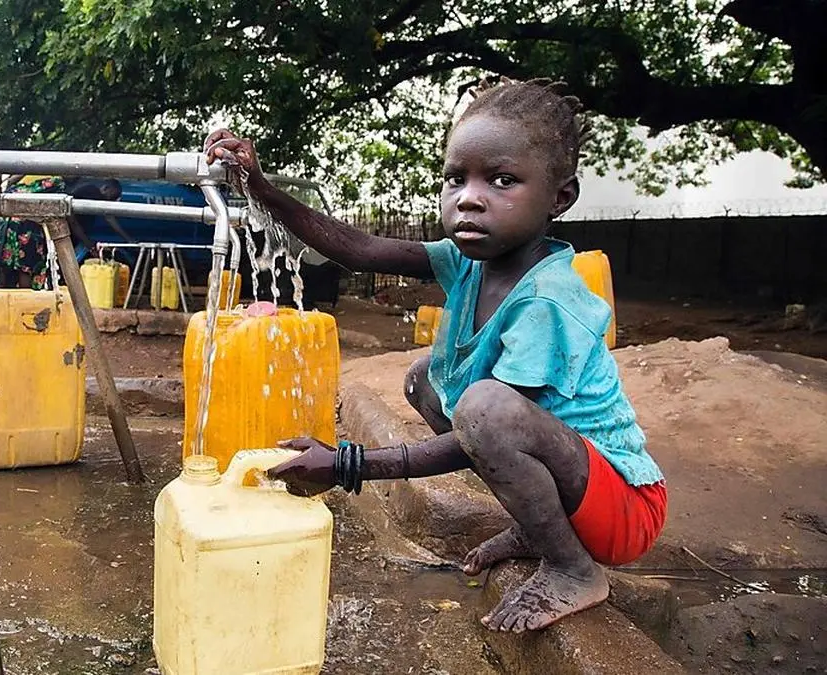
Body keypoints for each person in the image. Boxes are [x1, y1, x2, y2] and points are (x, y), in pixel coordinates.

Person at [204, 77, 667, 634]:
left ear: (560, 198)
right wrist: (261, 188)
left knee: (484, 409)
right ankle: (539, 528)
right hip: (575, 487)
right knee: (427, 378)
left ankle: (573, 570)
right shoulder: (469, 262)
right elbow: (360, 249)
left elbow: (485, 428)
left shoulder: (548, 300)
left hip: (624, 508)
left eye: (502, 180)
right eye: (455, 178)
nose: (469, 197)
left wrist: (348, 464)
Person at [0, 176, 120, 289]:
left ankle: (11, 301)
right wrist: (87, 243)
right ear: (105, 188)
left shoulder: (51, 181)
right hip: (28, 224)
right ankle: (24, 303)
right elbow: (70, 218)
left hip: (10, 219)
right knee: (27, 267)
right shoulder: (73, 188)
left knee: (10, 266)